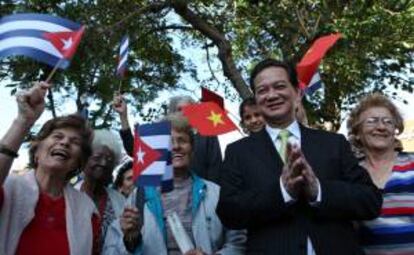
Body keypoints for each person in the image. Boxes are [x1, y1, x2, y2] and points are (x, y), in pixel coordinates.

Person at [216, 59, 382, 255]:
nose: (271, 95)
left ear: (297, 92)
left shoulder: (333, 143)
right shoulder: (238, 152)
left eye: (279, 86)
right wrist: (282, 192)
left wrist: (319, 191)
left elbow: (370, 201)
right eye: (262, 90)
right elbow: (229, 212)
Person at [104, 113, 246, 255]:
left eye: (182, 140)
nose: (176, 146)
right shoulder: (139, 196)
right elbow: (114, 248)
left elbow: (237, 242)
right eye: (169, 142)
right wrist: (130, 239)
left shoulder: (215, 193)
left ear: (192, 148)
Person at [0, 82, 99, 255]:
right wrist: (24, 121)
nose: (65, 142)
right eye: (57, 136)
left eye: (75, 142)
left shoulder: (87, 211)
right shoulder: (8, 189)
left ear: (78, 163)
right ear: (36, 151)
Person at [347, 93, 414, 254]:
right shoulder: (350, 173)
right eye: (372, 121)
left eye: (388, 122)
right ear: (357, 132)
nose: (381, 127)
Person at [113, 93, 223, 183]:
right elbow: (134, 150)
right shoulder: (162, 136)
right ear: (172, 113)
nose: (184, 113)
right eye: (180, 109)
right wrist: (123, 116)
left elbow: (216, 169)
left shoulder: (208, 135)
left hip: (202, 198)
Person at [78, 129, 140, 254]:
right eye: (97, 157)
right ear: (85, 159)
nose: (103, 163)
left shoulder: (121, 201)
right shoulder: (69, 195)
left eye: (110, 160)